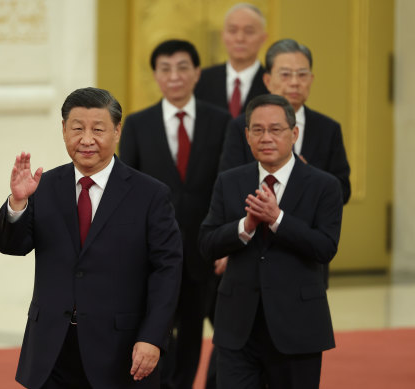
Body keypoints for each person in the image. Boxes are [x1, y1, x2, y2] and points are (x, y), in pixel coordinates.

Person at [0, 87, 183, 389]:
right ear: (64, 130)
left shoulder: (150, 194)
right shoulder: (43, 186)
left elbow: (167, 272)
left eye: (98, 129)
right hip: (52, 347)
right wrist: (18, 203)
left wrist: (152, 337)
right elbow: (12, 246)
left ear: (117, 131)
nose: (86, 139)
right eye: (77, 129)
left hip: (120, 349)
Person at [199, 94, 343, 389]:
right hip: (238, 326)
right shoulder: (229, 181)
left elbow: (325, 247)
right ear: (247, 136)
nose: (266, 137)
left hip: (297, 326)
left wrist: (278, 219)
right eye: (258, 130)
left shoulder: (324, 185)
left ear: (294, 134)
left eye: (276, 130)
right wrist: (245, 226)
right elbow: (207, 243)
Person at [119, 39, 232, 389]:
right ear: (155, 75)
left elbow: (227, 185)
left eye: (183, 67)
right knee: (156, 330)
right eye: (165, 69)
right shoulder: (137, 124)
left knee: (194, 334)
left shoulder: (222, 121)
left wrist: (226, 242)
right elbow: (128, 191)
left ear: (197, 73)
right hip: (155, 252)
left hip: (204, 249)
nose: (174, 76)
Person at [220, 38, 351, 204]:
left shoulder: (328, 129)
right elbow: (228, 184)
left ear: (311, 79)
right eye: (285, 75)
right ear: (267, 80)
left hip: (307, 228)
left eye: (302, 75)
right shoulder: (241, 126)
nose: (295, 83)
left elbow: (343, 191)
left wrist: (309, 175)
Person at [194, 3, 269, 118]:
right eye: (233, 31)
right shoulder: (201, 80)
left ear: (263, 38)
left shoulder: (272, 84)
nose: (240, 38)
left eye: (249, 31)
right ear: (222, 35)